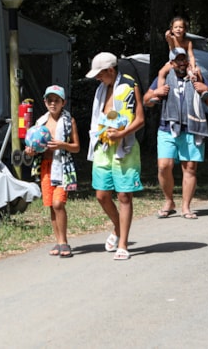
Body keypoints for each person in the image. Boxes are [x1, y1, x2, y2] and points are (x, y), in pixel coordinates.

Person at [144, 47, 208, 219]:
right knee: (164, 166)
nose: (182, 63)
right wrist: (156, 92)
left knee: (190, 168)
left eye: (184, 59)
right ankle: (169, 201)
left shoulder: (196, 77)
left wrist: (203, 89)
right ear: (171, 63)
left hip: (193, 128)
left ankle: (186, 207)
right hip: (168, 128)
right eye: (178, 60)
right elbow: (145, 101)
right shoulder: (163, 78)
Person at [86, 52, 145, 260]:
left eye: (100, 74)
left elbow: (139, 119)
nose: (97, 79)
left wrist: (122, 133)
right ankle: (119, 227)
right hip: (103, 146)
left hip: (125, 146)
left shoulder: (129, 85)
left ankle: (123, 244)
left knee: (124, 195)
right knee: (101, 194)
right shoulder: (101, 90)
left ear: (111, 70)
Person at [25, 85, 80, 258]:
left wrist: (62, 145)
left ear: (63, 102)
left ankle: (64, 242)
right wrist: (30, 151)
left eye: (57, 100)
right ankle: (58, 241)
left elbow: (76, 147)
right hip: (45, 167)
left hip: (62, 167)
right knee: (50, 205)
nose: (53, 103)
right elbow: (33, 146)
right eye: (50, 100)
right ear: (45, 102)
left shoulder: (69, 121)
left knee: (58, 203)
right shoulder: (40, 123)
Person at [154, 17, 198, 96]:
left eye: (181, 27)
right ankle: (159, 92)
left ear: (184, 30)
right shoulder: (172, 39)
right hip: (173, 63)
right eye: (176, 27)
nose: (178, 29)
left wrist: (193, 67)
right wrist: (167, 35)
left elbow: (191, 56)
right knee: (161, 72)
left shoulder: (188, 42)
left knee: (196, 71)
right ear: (172, 30)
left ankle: (200, 91)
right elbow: (168, 38)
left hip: (185, 63)